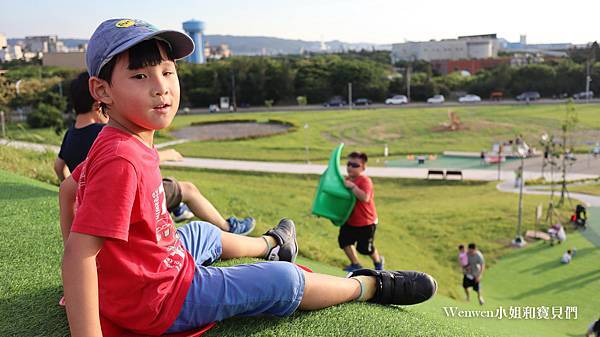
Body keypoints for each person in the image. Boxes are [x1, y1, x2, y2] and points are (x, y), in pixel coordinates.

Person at [60, 19, 437, 336]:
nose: (161, 86)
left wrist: (94, 282)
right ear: (102, 91)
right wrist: (82, 291)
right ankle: (370, 284)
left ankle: (271, 243)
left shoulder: (118, 139)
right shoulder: (122, 157)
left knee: (201, 233)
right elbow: (80, 255)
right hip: (159, 299)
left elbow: (67, 190)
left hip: (150, 266)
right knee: (282, 281)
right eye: (140, 75)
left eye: (168, 71)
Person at [55, 71, 254, 235]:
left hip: (101, 196)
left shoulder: (70, 135)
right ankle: (227, 227)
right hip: (128, 196)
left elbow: (59, 168)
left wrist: (81, 196)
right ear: (99, 101)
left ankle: (178, 209)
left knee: (169, 186)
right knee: (188, 190)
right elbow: (133, 158)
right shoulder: (106, 135)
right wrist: (169, 154)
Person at [339, 151, 384, 272]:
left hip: (366, 221)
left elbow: (365, 197)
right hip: (350, 219)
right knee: (344, 241)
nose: (350, 167)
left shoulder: (365, 181)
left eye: (355, 165)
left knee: (365, 248)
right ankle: (355, 264)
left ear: (363, 167)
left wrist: (353, 187)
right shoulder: (347, 180)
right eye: (349, 164)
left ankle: (378, 262)